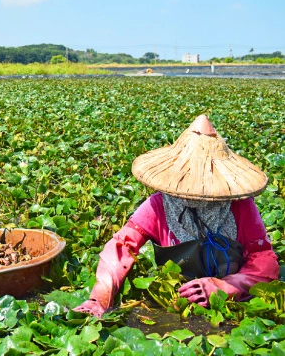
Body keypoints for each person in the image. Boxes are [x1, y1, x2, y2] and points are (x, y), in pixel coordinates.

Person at [74, 115, 279, 318]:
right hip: (178, 302)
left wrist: (227, 286)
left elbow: (264, 261)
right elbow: (121, 247)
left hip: (231, 304)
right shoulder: (159, 205)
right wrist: (99, 297)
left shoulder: (241, 206)